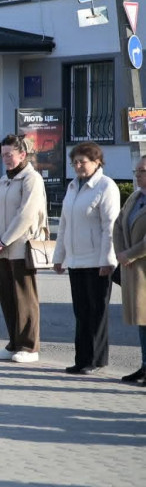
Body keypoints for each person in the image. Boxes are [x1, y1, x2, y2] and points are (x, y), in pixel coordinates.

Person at [52, 142, 118, 375]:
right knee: (81, 311)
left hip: (97, 261)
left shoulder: (105, 186)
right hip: (76, 260)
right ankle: (81, 359)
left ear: (97, 161)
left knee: (96, 312)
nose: (78, 166)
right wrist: (59, 256)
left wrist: (107, 260)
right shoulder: (72, 187)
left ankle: (95, 360)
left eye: (83, 161)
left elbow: (110, 226)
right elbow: (64, 225)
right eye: (75, 162)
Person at [0, 134, 48, 364]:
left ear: (22, 154)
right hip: (2, 249)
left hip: (21, 248)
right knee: (7, 297)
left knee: (25, 298)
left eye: (9, 154)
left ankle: (29, 346)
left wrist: (5, 239)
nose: (6, 159)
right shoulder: (4, 180)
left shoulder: (31, 179)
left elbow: (27, 214)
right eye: (2, 155)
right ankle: (13, 343)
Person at [114, 157, 146, 386]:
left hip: (141, 264)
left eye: (142, 171)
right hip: (133, 267)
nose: (137, 175)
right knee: (142, 320)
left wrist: (131, 253)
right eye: (136, 171)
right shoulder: (136, 197)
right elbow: (118, 224)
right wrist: (121, 252)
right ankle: (144, 366)